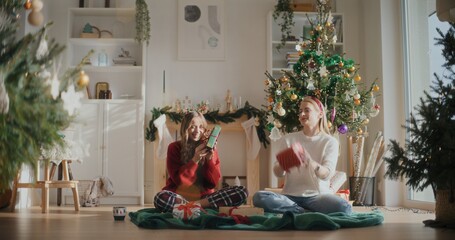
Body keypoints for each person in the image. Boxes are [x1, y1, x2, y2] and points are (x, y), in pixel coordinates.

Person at [253, 96, 352, 214]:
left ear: (320, 114)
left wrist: (311, 163)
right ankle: (301, 211)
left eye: (307, 110)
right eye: (300, 111)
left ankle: (295, 211)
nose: (302, 114)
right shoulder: (289, 139)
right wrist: (284, 164)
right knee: (259, 197)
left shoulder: (330, 142)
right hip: (289, 197)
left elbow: (327, 175)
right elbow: (277, 173)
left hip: (317, 197)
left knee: (344, 207)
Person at [154, 111, 248, 212]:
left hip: (205, 198)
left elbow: (212, 183)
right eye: (192, 126)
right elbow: (180, 182)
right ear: (185, 128)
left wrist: (209, 159)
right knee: (160, 197)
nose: (197, 130)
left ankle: (193, 206)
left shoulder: (210, 148)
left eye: (201, 127)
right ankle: (195, 207)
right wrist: (195, 160)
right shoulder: (174, 147)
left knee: (242, 191)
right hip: (179, 196)